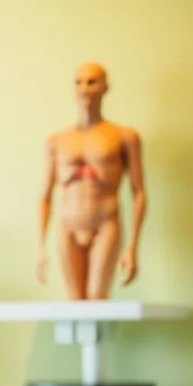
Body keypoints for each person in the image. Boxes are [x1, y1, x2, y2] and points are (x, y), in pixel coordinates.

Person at [37, 61, 146, 300]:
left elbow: (138, 193)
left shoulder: (124, 137)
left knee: (97, 297)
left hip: (105, 222)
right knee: (75, 302)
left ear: (105, 87)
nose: (85, 88)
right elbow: (45, 196)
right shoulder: (57, 141)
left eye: (92, 81)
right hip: (67, 224)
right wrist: (40, 247)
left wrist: (132, 247)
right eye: (79, 82)